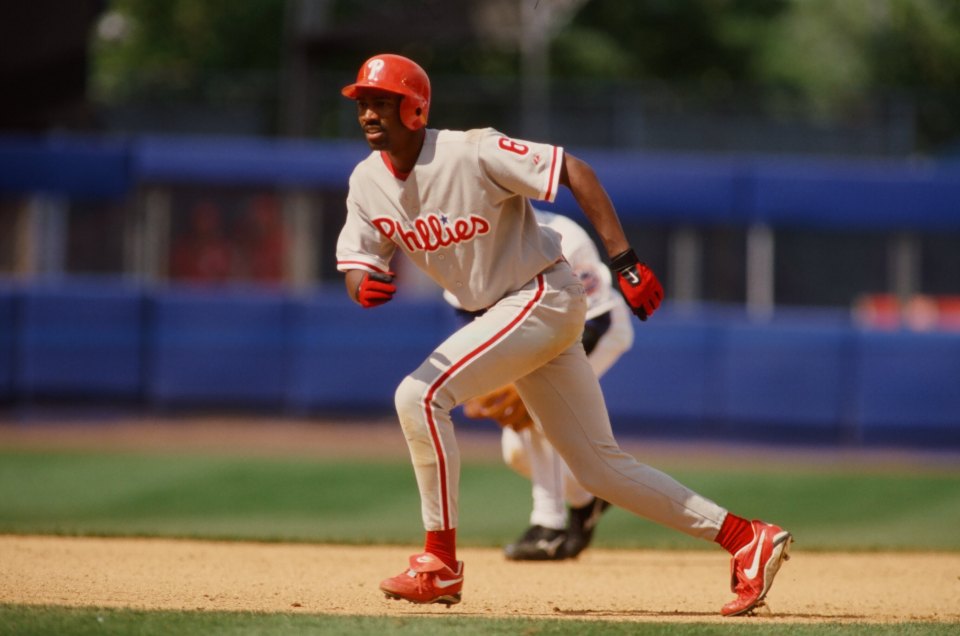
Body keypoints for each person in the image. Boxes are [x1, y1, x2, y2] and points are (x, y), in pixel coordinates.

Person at [335, 53, 792, 617]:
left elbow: (574, 170)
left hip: (540, 294)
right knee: (599, 469)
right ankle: (747, 538)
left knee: (419, 394)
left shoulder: (470, 150)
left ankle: (440, 563)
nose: (368, 113)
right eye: (362, 103)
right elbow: (358, 261)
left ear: (414, 108)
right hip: (507, 312)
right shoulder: (366, 182)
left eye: (381, 101)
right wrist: (363, 286)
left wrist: (625, 261)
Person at [452, 209, 634, 561]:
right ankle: (587, 499)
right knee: (516, 452)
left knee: (540, 403)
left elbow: (596, 321)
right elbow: (469, 315)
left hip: (597, 330)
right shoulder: (465, 238)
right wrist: (482, 378)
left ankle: (548, 526)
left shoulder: (565, 235)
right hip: (528, 338)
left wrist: (526, 380)